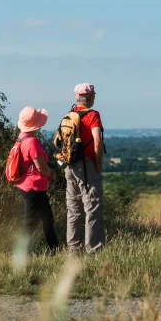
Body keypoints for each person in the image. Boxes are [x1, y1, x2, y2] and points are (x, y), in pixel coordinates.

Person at [63, 83, 106, 254]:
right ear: (91, 98)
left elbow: (56, 142)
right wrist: (98, 162)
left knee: (73, 208)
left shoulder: (69, 114)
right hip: (87, 165)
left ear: (77, 98)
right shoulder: (93, 115)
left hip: (70, 165)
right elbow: (97, 141)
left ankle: (74, 250)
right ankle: (94, 250)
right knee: (93, 207)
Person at [15, 106, 59, 252]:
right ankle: (19, 253)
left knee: (47, 218)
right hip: (33, 187)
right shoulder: (32, 142)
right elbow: (41, 167)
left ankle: (55, 250)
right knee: (30, 222)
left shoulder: (21, 137)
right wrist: (52, 174)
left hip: (26, 185)